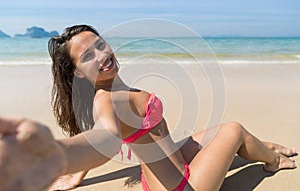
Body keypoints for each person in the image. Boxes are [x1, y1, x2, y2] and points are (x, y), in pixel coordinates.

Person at [0, 24, 297, 191]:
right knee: (233, 129)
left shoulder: (116, 86)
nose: (102, 55)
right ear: (78, 73)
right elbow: (102, 137)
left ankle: (257, 145)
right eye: (89, 56)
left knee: (213, 135)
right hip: (183, 187)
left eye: (101, 44)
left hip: (163, 172)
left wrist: (77, 176)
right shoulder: (106, 99)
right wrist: (57, 155)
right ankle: (272, 160)